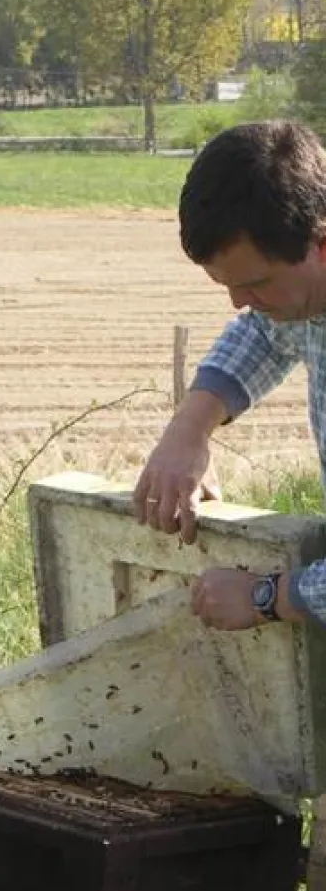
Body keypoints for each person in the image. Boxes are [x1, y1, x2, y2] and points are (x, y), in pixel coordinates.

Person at [134, 120, 326, 631]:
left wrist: (269, 596)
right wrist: (189, 430)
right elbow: (261, 335)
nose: (241, 302)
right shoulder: (305, 300)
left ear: (320, 242)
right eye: (227, 284)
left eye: (255, 282)